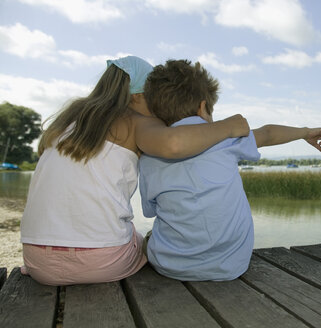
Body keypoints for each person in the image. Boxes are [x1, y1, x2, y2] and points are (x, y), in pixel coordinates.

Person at [20, 56, 250, 286]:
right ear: (139, 96)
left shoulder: (70, 117)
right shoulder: (136, 121)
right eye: (154, 100)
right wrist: (226, 127)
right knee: (145, 242)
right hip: (100, 262)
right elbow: (174, 144)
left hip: (37, 261)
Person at [140, 59, 321, 281]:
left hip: (171, 265)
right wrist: (305, 132)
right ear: (203, 108)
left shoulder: (148, 156)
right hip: (231, 264)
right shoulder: (225, 138)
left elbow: (151, 210)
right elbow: (267, 134)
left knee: (148, 237)